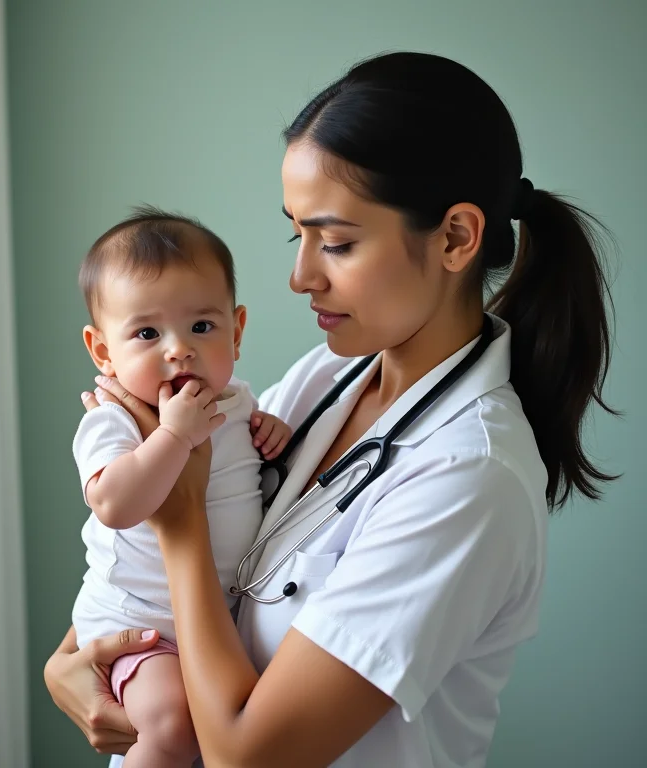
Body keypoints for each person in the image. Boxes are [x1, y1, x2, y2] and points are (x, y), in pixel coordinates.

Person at [45, 52, 617, 768]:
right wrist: (68, 661)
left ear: (455, 238)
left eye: (337, 243)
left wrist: (181, 523)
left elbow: (247, 757)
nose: (300, 276)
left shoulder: (469, 476)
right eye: (299, 235)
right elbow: (156, 568)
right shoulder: (329, 376)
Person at [70, 207, 292, 767]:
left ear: (236, 332)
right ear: (103, 351)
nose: (178, 348)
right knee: (172, 725)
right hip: (136, 623)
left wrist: (272, 430)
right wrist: (171, 437)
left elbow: (246, 460)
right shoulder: (113, 418)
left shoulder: (237, 399)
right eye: (147, 333)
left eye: (202, 327)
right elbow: (114, 504)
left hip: (212, 623)